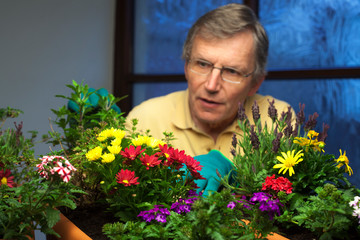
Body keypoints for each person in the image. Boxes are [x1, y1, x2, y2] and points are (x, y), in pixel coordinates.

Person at [126, 3, 293, 195]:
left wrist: (237, 177)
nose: (211, 85)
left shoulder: (277, 120)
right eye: (202, 64)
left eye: (232, 71)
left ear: (255, 83)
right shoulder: (146, 119)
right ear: (186, 67)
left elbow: (283, 201)